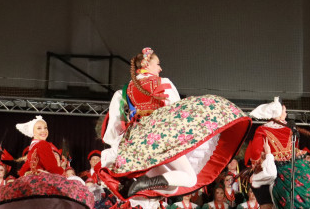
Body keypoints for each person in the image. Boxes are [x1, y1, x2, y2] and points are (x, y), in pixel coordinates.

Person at [101, 47, 249, 199]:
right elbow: (177, 114)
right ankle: (144, 182)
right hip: (161, 138)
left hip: (138, 146)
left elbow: (113, 128)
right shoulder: (164, 83)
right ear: (147, 65)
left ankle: (140, 183)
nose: (160, 68)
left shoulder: (123, 92)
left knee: (171, 188)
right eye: (158, 64)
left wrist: (119, 148)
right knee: (190, 179)